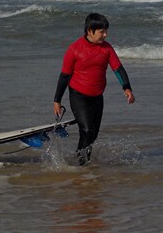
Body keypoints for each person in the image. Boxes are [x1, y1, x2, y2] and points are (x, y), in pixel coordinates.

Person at [53, 13, 135, 166]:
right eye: (102, 31)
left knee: (93, 133)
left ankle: (83, 160)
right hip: (78, 95)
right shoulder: (74, 49)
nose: (106, 34)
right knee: (87, 129)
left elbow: (118, 69)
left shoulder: (106, 48)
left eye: (106, 31)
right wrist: (57, 100)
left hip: (97, 96)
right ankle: (82, 162)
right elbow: (64, 76)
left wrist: (127, 88)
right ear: (90, 31)